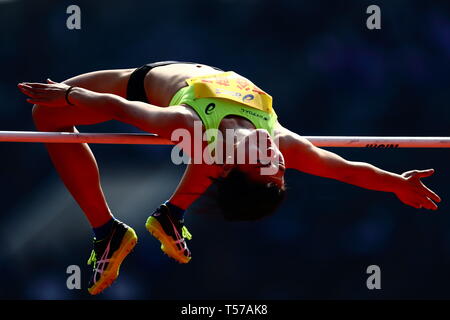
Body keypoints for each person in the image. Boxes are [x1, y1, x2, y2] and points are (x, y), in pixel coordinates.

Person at [17, 61, 441, 295]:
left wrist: (71, 95)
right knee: (209, 151)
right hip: (196, 98)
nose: (275, 154)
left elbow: (119, 109)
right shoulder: (281, 142)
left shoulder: (189, 125)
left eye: (266, 162)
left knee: (45, 114)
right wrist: (396, 183)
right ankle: (170, 215)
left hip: (142, 84)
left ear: (236, 164)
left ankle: (107, 230)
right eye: (279, 163)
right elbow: (346, 168)